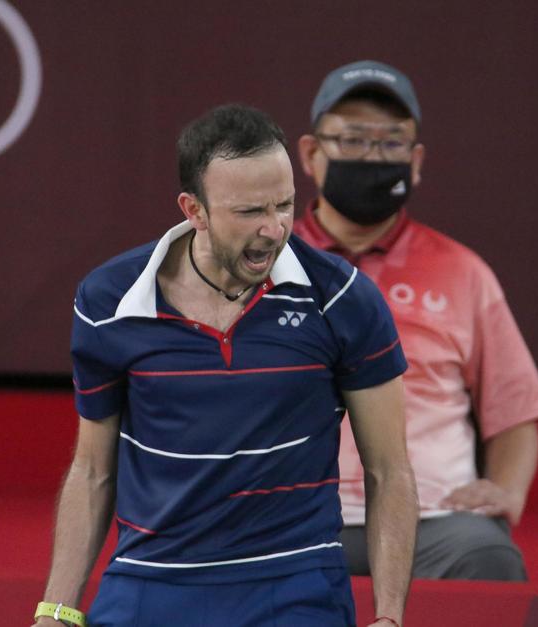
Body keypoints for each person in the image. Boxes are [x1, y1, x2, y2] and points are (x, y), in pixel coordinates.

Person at [32, 104, 418, 627]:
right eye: (249, 211)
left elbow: (389, 470)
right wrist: (56, 610)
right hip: (150, 579)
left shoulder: (342, 299)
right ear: (194, 210)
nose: (273, 228)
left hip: (295, 585)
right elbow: (94, 470)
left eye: (284, 204)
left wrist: (390, 617)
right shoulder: (109, 301)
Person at [294, 60, 538, 581]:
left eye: (391, 143)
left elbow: (515, 412)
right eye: (351, 139)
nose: (373, 156)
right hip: (294, 515)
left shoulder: (464, 271)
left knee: (487, 554)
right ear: (310, 153)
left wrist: (505, 491)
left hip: (433, 523)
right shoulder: (263, 263)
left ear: (415, 162)